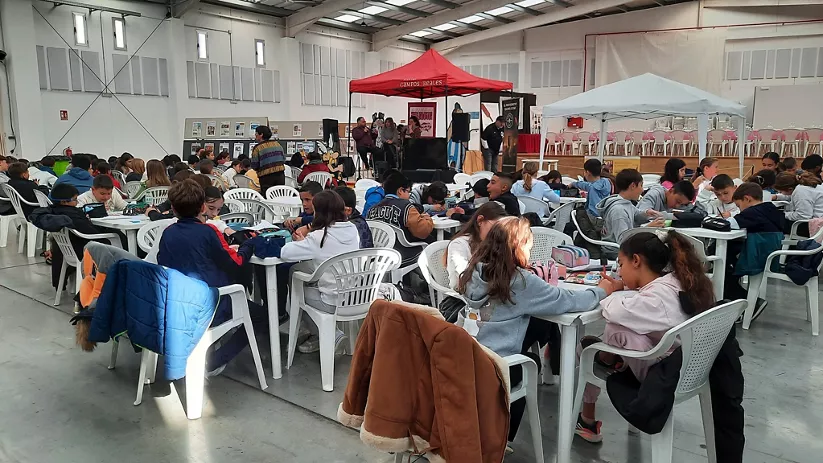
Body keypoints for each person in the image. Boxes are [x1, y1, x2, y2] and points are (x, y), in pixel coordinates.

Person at [458, 216, 609, 445]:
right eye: (528, 246)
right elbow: (567, 300)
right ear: (518, 247)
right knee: (529, 361)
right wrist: (602, 290)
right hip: (495, 367)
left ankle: (553, 364)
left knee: (540, 324)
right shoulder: (519, 280)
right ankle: (502, 439)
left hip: (465, 356)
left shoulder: (473, 271)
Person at [575, 230, 715, 443]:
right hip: (688, 365)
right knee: (618, 331)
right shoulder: (677, 281)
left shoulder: (655, 300)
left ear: (636, 261)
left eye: (621, 265)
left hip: (661, 375)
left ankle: (588, 418)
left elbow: (615, 311)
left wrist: (606, 291)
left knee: (599, 338)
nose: (619, 272)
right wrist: (624, 286)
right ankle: (611, 362)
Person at [157, 179, 267, 374]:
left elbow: (162, 263)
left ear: (173, 209)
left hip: (178, 303)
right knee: (262, 316)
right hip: (213, 304)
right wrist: (249, 245)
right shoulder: (209, 232)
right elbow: (236, 263)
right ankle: (215, 361)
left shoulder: (168, 233)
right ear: (202, 207)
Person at [275, 190, 361, 353]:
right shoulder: (352, 229)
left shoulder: (319, 237)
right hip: (355, 295)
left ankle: (325, 333)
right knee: (299, 271)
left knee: (297, 287)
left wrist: (303, 242)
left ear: (319, 212)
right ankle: (319, 331)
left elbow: (285, 253)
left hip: (331, 300)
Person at [723, 182, 784, 316]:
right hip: (770, 254)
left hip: (757, 256)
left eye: (739, 206)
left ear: (747, 199)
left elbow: (729, 224)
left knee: (722, 270)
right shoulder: (771, 209)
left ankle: (749, 304)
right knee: (727, 266)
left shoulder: (752, 212)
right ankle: (746, 302)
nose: (740, 210)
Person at [367, 172, 434, 266]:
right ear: (400, 191)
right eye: (408, 192)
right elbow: (423, 231)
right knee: (431, 242)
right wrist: (428, 219)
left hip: (377, 256)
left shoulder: (372, 209)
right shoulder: (406, 207)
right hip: (400, 255)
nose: (409, 195)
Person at [445, 202, 507, 289]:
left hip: (491, 291)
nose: (497, 232)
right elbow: (463, 279)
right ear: (480, 221)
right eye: (494, 227)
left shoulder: (496, 242)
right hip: (465, 294)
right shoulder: (459, 244)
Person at [596, 169, 648, 251]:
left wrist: (647, 214)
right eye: (641, 185)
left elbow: (636, 216)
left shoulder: (626, 203)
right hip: (615, 252)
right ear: (633, 186)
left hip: (623, 248)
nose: (642, 190)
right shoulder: (618, 210)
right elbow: (623, 240)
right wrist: (647, 228)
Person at [774, 171, 823, 236]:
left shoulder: (800, 192)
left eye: (780, 191)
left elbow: (804, 216)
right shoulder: (804, 186)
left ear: (790, 189)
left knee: (774, 221)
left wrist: (783, 214)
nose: (780, 192)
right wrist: (777, 197)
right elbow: (791, 196)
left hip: (813, 226)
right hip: (818, 223)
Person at [251, 125, 287, 194]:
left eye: (256, 134)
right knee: (279, 196)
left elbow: (254, 165)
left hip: (266, 177)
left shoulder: (257, 148)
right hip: (280, 175)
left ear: (261, 134)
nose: (255, 136)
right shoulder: (277, 144)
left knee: (267, 197)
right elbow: (283, 159)